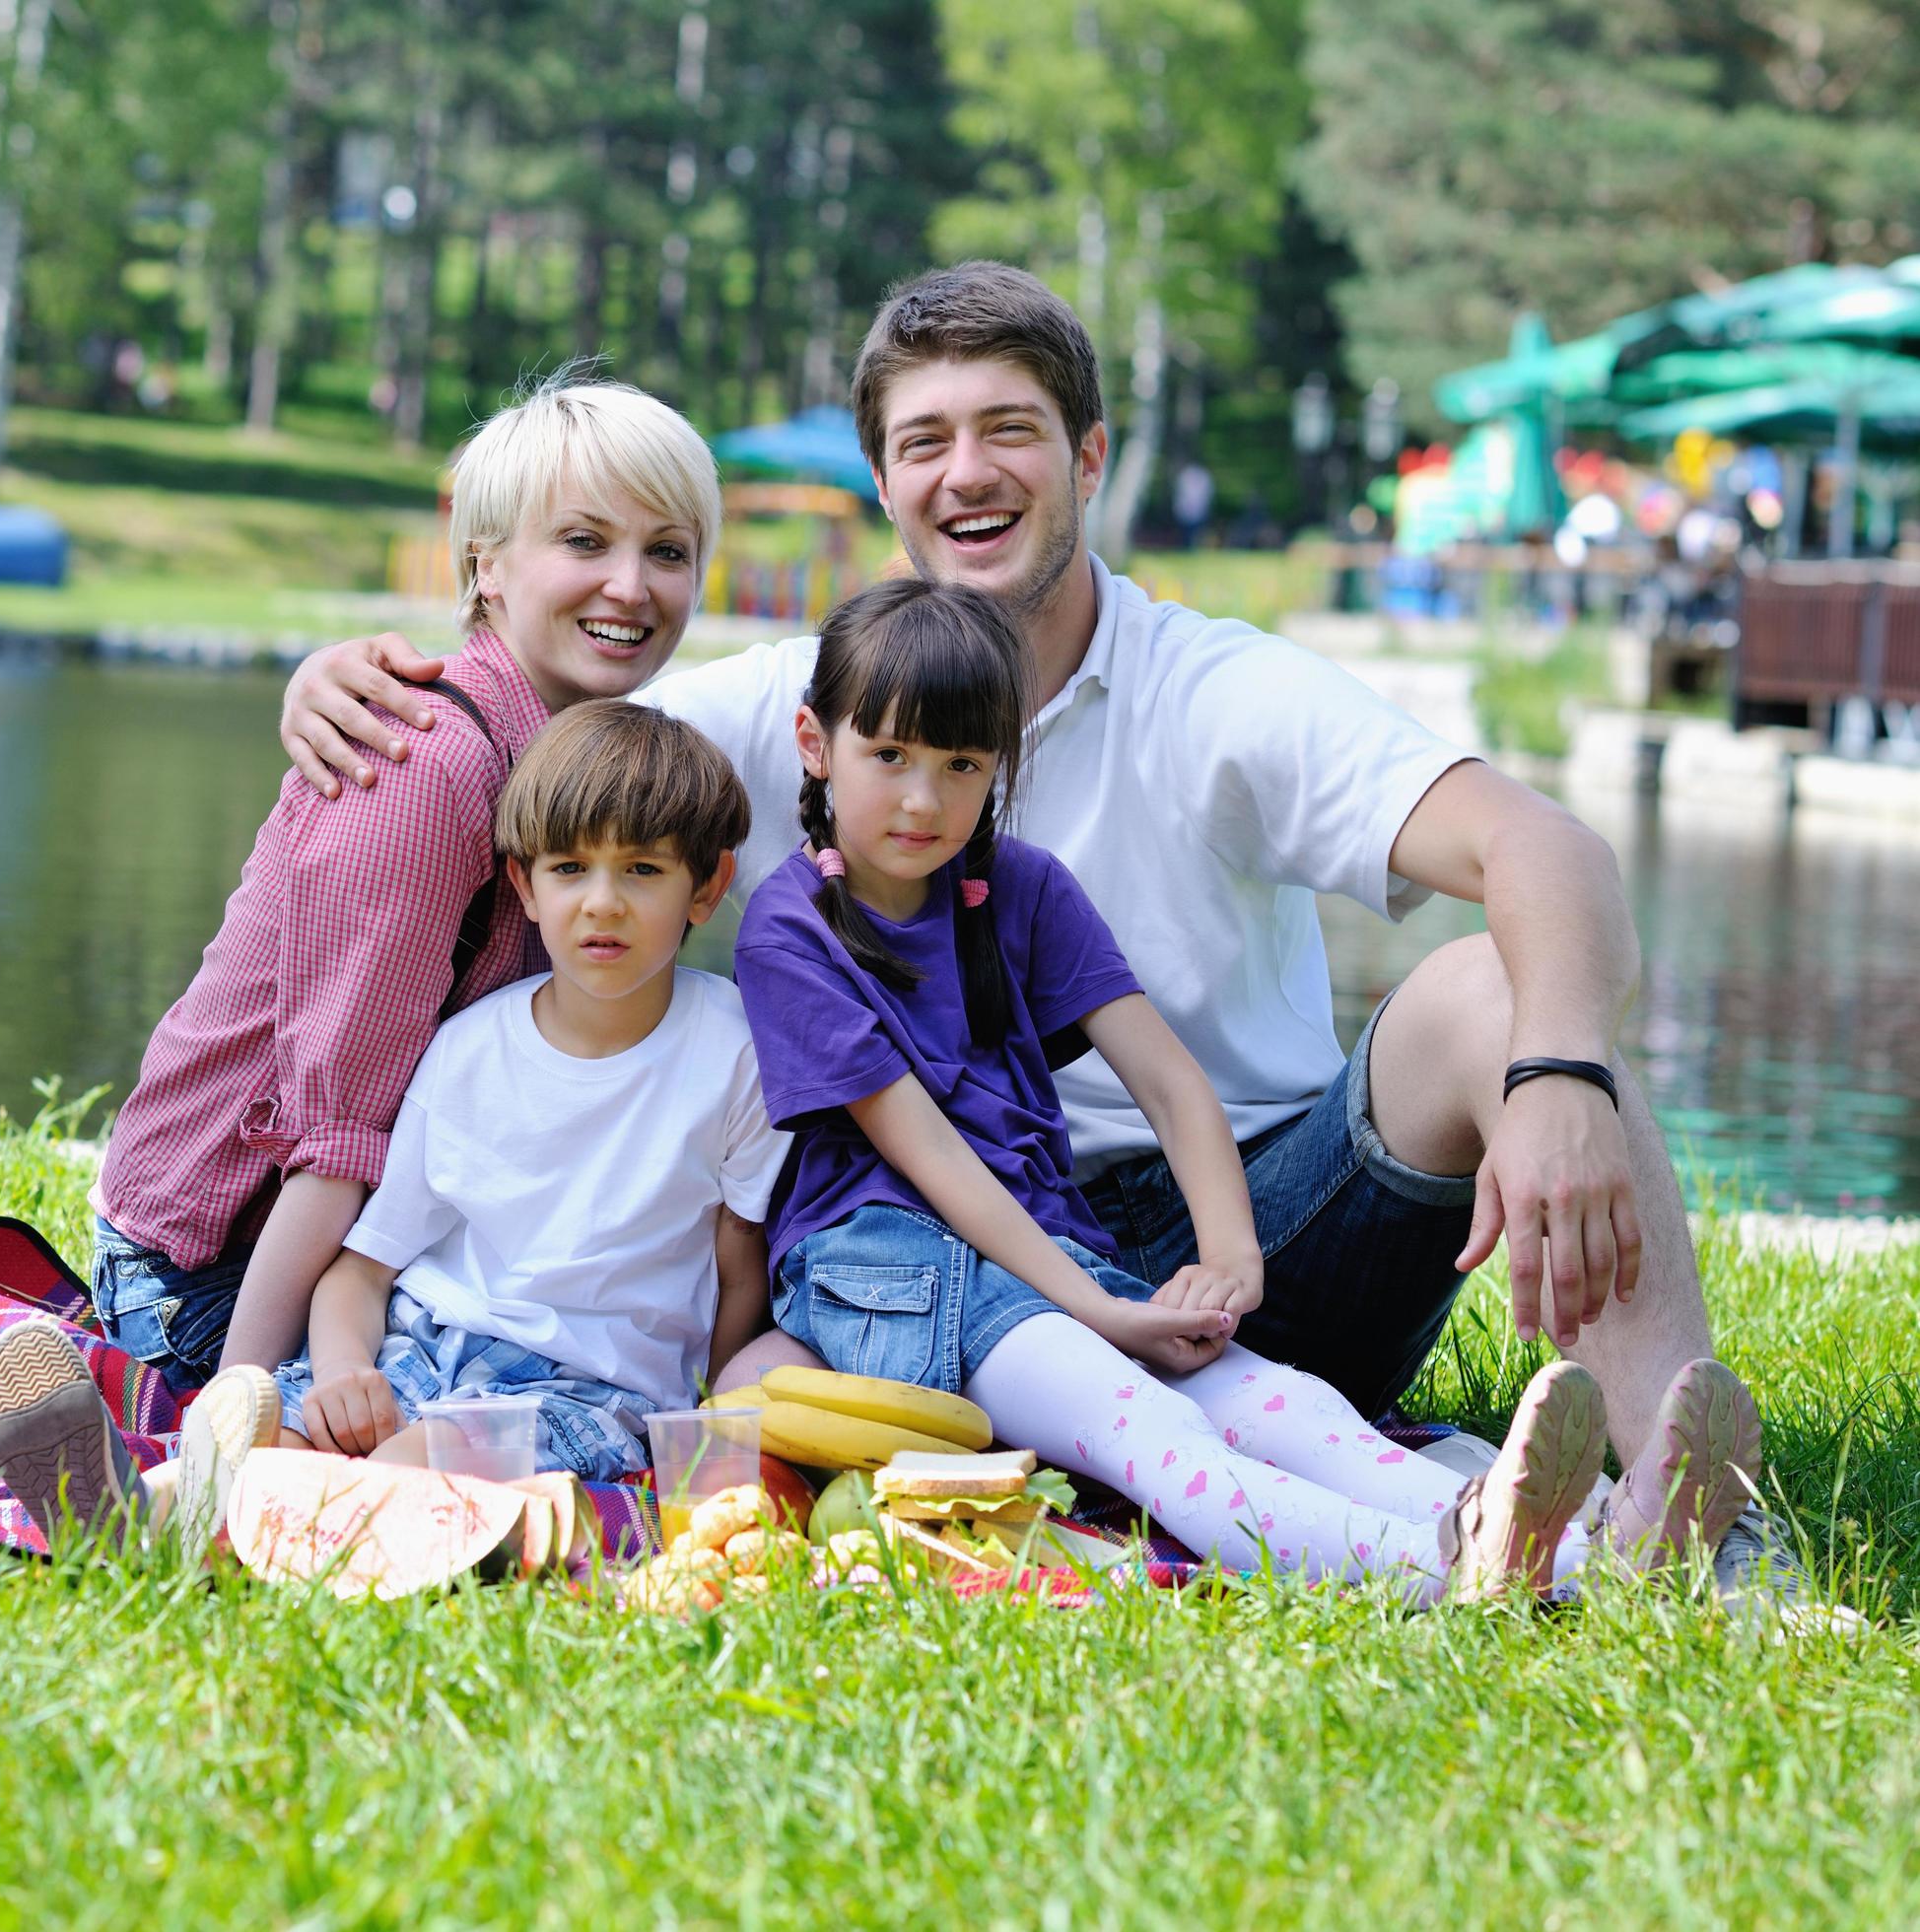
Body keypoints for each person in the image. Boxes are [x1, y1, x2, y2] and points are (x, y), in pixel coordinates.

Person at [276, 262, 1778, 1595]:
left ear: (1090, 459)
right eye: (924, 441)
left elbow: (1544, 846)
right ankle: (1504, 1542)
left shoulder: (1218, 691)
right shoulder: (823, 709)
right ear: (885, 490)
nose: (967, 472)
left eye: (1009, 430)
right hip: (962, 1259)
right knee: (1163, 1414)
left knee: (1490, 995)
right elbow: (555, 771)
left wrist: (1563, 1072)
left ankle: (1697, 1518)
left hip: (1259, 1239)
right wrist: (355, 682)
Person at [734, 575, 1763, 1600]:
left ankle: (1611, 1543)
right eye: (889, 756)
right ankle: (1463, 1568)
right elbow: (934, 1158)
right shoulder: (793, 932)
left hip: (1046, 1253)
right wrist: (1101, 1307)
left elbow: (1173, 1084)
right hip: (896, 1272)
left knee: (1288, 1405)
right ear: (816, 746)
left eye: (962, 763)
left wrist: (1230, 1264)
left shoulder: (1022, 886)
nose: (924, 798)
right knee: (1155, 1433)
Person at [87, 374, 724, 1396]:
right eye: (584, 542)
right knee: (505, 1430)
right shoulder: (428, 764)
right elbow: (336, 1137)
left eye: (669, 551)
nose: (631, 587)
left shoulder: (595, 762)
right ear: (490, 565)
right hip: (215, 1273)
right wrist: (232, 1404)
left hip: (369, 1245)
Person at [276, 702, 788, 1482]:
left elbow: (738, 1263)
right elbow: (363, 1270)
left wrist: (707, 1424)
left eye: (643, 870)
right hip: (421, 1348)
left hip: (588, 1389)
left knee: (413, 1468)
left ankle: (310, 1523)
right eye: (570, 869)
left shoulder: (737, 1052)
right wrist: (345, 1370)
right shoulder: (469, 1050)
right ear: (525, 883)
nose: (603, 902)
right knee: (269, 1439)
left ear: (707, 886)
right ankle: (133, 1507)